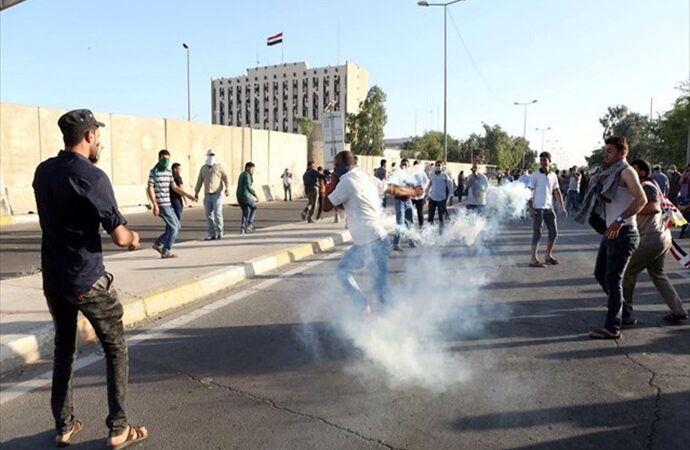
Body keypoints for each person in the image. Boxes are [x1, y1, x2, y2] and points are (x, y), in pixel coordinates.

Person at [32, 109, 148, 448]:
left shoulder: (43, 172)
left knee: (63, 350)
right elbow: (120, 237)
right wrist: (134, 238)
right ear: (88, 136)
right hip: (86, 280)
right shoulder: (92, 177)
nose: (99, 140)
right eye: (97, 133)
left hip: (53, 279)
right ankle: (118, 428)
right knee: (115, 348)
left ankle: (64, 426)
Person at [323, 151, 422, 312]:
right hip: (370, 242)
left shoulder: (346, 181)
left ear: (345, 165)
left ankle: (403, 314)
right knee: (343, 271)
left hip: (372, 243)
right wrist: (412, 192)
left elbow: (326, 206)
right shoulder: (366, 176)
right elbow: (392, 189)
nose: (334, 169)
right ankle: (364, 306)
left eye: (336, 166)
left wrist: (332, 183)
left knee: (379, 291)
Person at [575, 136, 646, 339]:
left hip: (624, 232)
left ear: (622, 153)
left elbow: (642, 199)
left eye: (610, 151)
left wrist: (620, 219)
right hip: (611, 232)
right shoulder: (608, 174)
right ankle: (625, 314)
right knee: (600, 274)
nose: (605, 154)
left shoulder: (626, 172)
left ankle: (612, 327)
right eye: (605, 150)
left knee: (613, 279)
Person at [622, 159, 688, 323]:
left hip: (651, 238)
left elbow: (654, 207)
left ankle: (625, 311)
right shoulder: (648, 186)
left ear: (642, 173)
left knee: (628, 272)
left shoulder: (647, 186)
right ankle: (678, 310)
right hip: (661, 237)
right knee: (657, 274)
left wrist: (631, 211)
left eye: (633, 170)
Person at [147, 149, 194, 258]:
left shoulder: (168, 172)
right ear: (159, 159)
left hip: (169, 204)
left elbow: (175, 187)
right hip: (162, 204)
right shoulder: (154, 172)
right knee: (174, 227)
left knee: (175, 225)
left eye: (168, 159)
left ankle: (158, 243)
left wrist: (186, 195)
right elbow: (150, 188)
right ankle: (166, 250)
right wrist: (154, 204)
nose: (166, 161)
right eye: (164, 159)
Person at [528, 152, 567, 267]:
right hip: (538, 208)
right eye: (541, 160)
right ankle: (533, 259)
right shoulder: (535, 175)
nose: (543, 162)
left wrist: (562, 207)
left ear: (550, 161)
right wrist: (530, 208)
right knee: (537, 233)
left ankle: (548, 256)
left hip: (549, 208)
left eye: (545, 160)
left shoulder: (553, 176)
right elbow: (528, 192)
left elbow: (557, 191)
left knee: (554, 232)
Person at [194, 149, 230, 240]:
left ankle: (220, 232)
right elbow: (199, 181)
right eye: (210, 155)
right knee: (209, 215)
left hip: (217, 194)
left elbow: (225, 178)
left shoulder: (219, 167)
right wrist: (196, 192)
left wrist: (227, 188)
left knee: (218, 213)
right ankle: (212, 234)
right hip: (207, 195)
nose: (211, 156)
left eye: (212, 155)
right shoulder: (203, 168)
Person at [390, 158, 417, 251]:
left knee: (410, 222)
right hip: (399, 201)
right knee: (400, 222)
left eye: (406, 164)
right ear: (400, 165)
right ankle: (396, 244)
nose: (404, 166)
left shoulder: (410, 175)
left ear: (409, 166)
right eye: (403, 164)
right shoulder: (397, 175)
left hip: (408, 200)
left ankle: (411, 241)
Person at [426, 160, 455, 234]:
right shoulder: (432, 175)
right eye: (437, 165)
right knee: (430, 218)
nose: (438, 167)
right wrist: (426, 195)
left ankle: (441, 234)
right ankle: (430, 233)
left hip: (441, 199)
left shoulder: (445, 175)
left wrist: (451, 196)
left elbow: (450, 186)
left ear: (442, 167)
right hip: (432, 199)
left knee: (441, 218)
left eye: (439, 165)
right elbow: (429, 185)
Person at [237, 162, 258, 234]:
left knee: (245, 211)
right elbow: (248, 186)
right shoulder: (247, 175)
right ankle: (249, 224)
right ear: (247, 168)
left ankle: (243, 229)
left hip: (239, 196)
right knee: (254, 207)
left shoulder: (242, 174)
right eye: (252, 169)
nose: (253, 171)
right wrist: (255, 195)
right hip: (245, 195)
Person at [411, 160, 429, 229]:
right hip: (412, 195)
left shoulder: (422, 173)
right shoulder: (411, 173)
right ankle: (410, 224)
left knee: (420, 211)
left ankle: (421, 225)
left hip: (420, 196)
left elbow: (427, 182)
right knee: (410, 211)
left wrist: (423, 187)